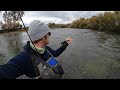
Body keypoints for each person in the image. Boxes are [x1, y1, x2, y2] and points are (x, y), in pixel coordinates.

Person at [0, 20, 72, 79]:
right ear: (43, 37)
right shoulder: (23, 58)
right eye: (49, 33)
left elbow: (55, 53)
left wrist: (65, 44)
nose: (50, 35)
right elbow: (5, 72)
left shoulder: (46, 48)